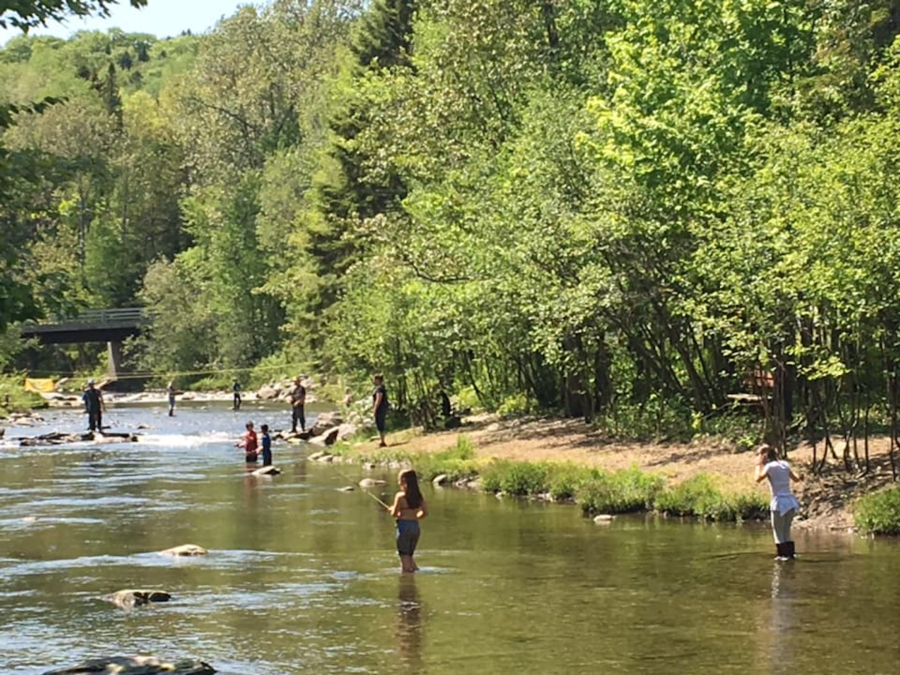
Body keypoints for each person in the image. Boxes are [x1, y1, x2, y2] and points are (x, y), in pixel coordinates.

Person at [755, 444, 801, 560]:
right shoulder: (785, 464)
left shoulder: (769, 467)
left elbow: (757, 479)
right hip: (790, 502)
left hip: (779, 503)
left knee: (778, 532)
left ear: (764, 456)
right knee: (786, 531)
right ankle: (790, 555)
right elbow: (796, 479)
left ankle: (782, 557)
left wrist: (758, 464)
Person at [388, 469, 428, 573]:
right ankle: (414, 573)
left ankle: (406, 578)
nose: (398, 482)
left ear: (403, 481)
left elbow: (394, 514)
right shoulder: (418, 496)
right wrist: (415, 517)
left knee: (403, 555)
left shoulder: (400, 496)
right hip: (415, 527)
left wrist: (391, 509)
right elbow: (425, 512)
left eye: (399, 479)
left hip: (404, 527)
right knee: (409, 555)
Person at [372, 374, 389, 448]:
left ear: (378, 380)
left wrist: (375, 409)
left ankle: (382, 441)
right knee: (380, 424)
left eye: (374, 379)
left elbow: (378, 399)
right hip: (382, 408)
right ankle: (382, 440)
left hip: (380, 409)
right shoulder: (381, 387)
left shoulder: (379, 389)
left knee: (380, 423)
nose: (373, 381)